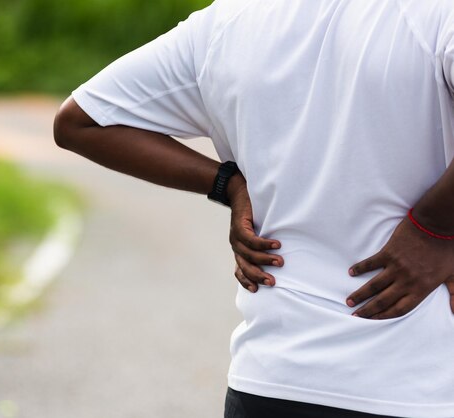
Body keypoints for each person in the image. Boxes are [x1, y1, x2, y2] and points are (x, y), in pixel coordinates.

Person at [53, 0, 454, 417]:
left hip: (269, 381)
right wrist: (433, 229)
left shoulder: (229, 21)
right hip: (419, 384)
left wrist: (228, 184)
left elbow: (83, 121)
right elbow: (82, 122)